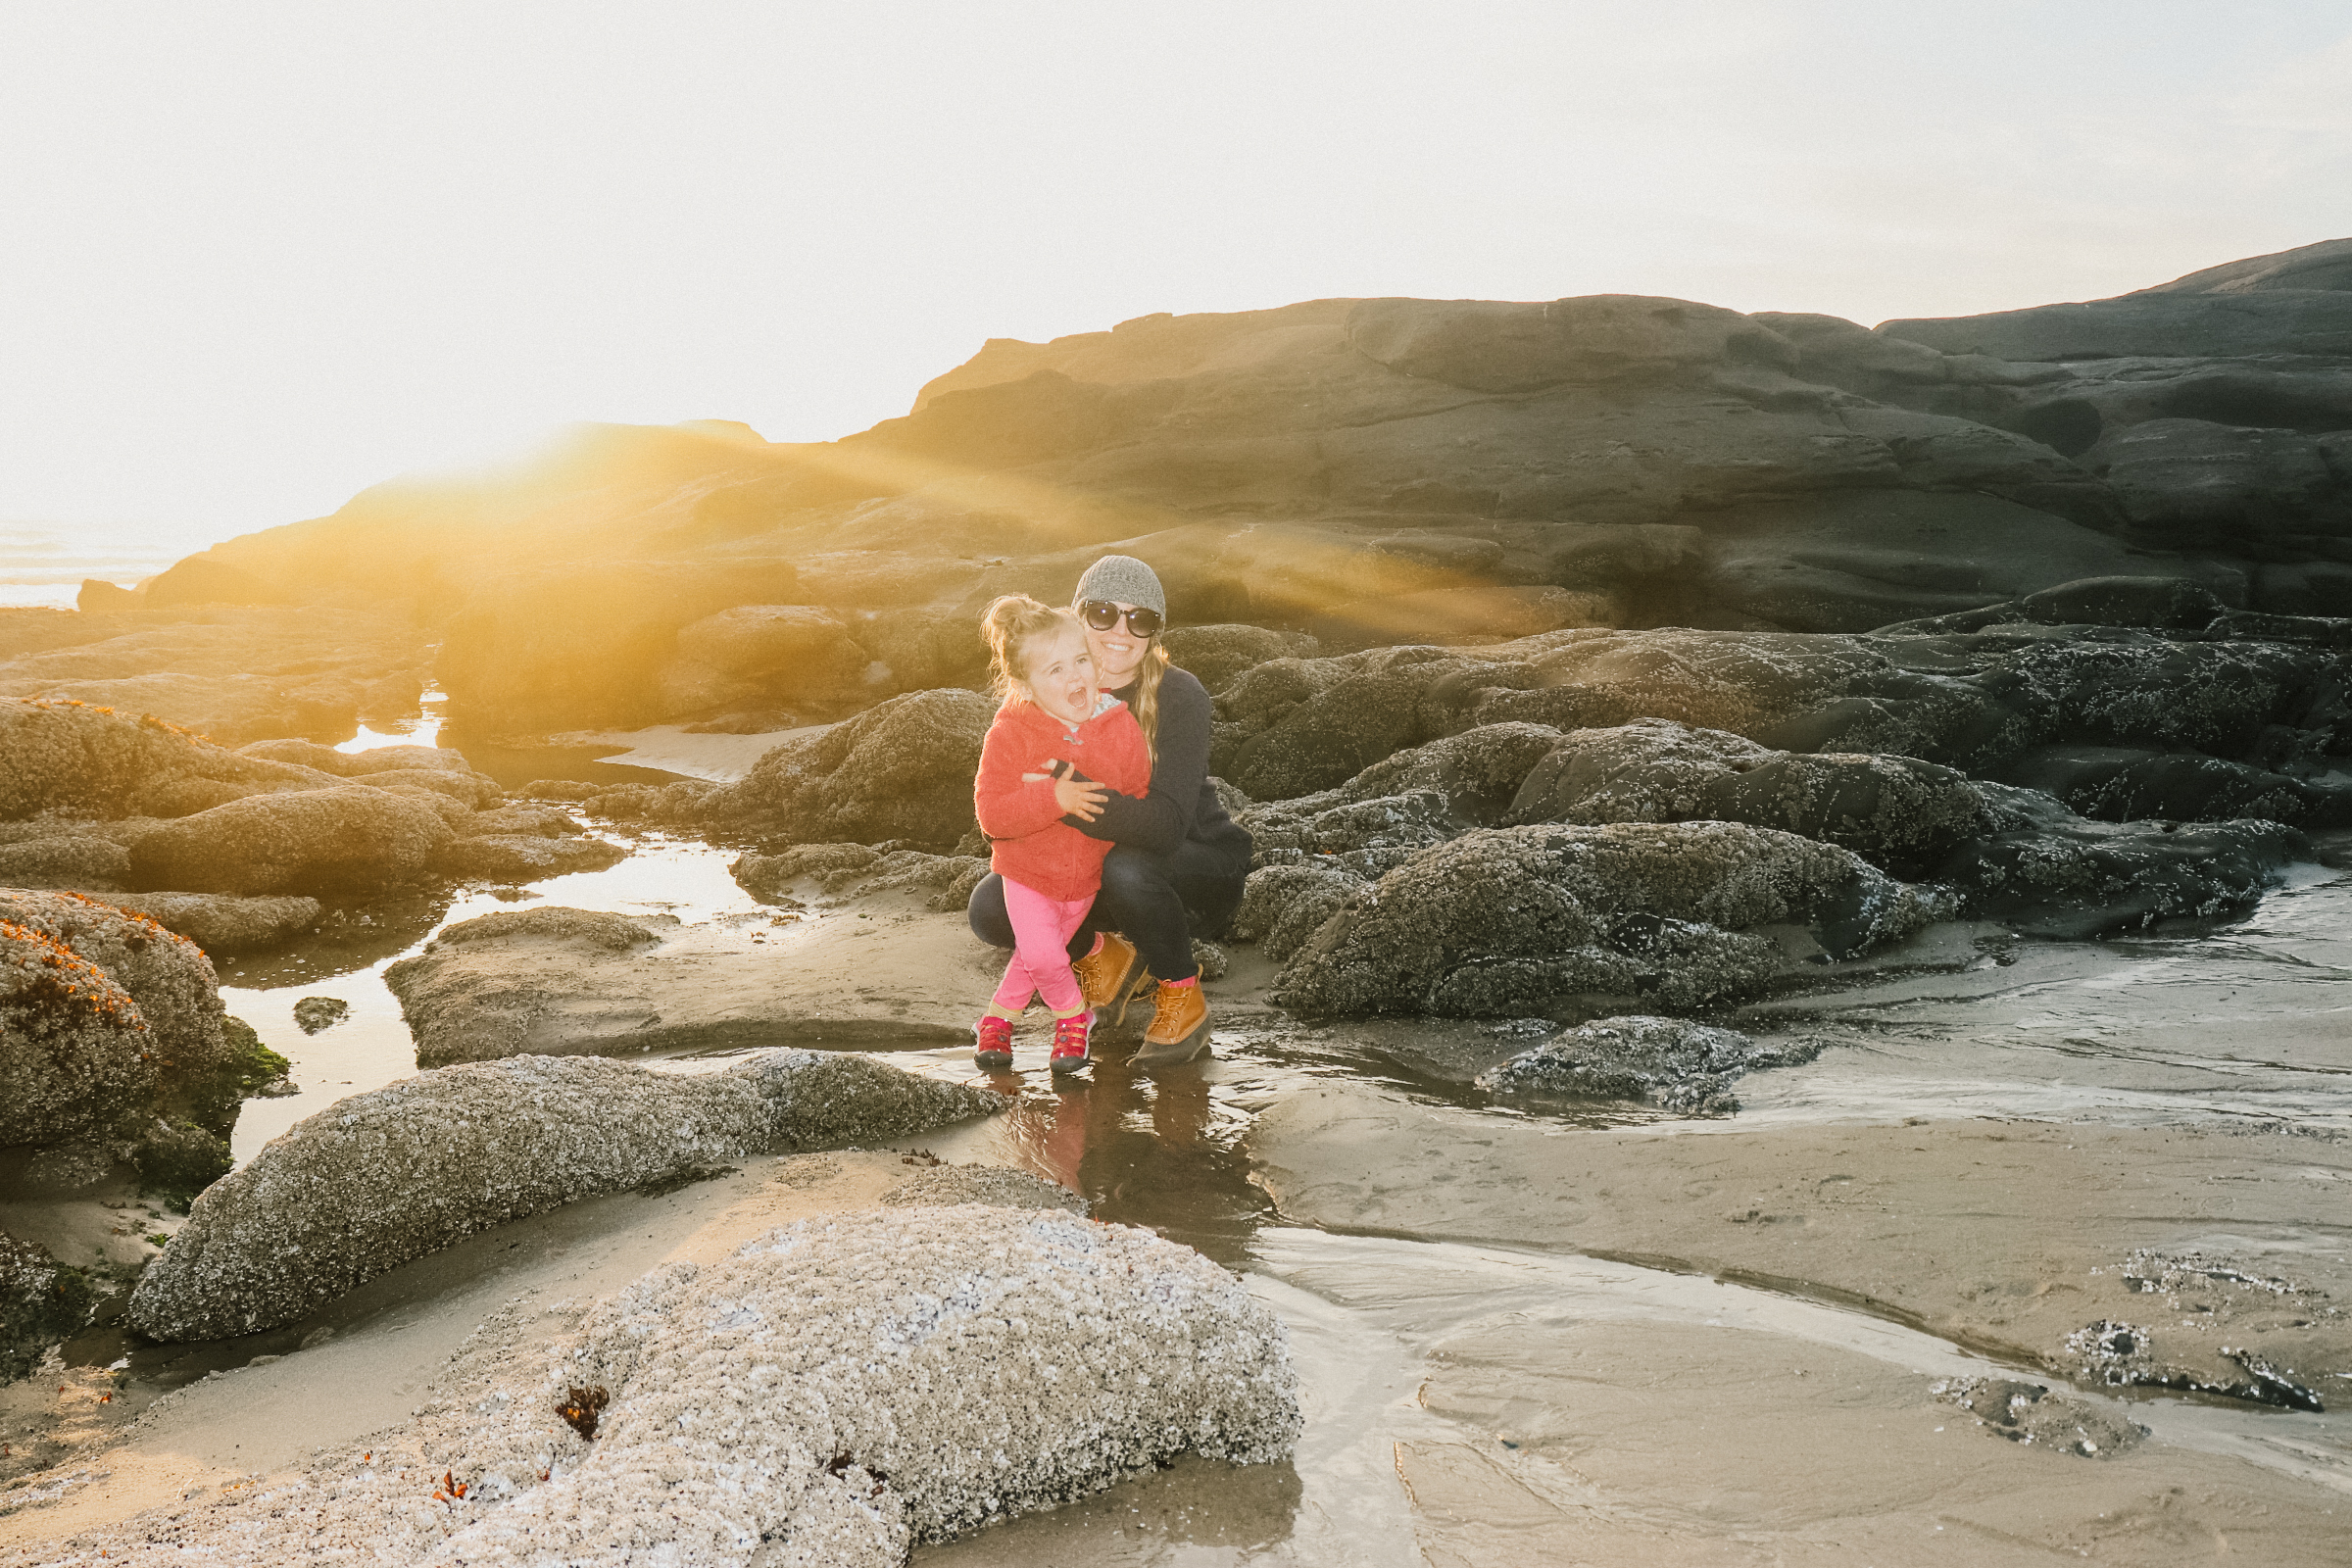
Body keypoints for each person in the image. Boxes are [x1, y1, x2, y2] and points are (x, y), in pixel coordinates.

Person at [966, 555, 1253, 1067]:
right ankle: (1107, 957)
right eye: (1103, 614)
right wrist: (1051, 800)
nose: (1121, 630)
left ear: (1154, 632)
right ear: (1078, 619)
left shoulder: (1180, 695)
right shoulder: (1054, 685)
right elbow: (1004, 810)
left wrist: (1065, 798)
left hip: (1198, 868)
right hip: (1096, 861)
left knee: (1128, 866)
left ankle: (1183, 997)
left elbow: (1164, 829)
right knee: (992, 904)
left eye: (1139, 619)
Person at [969, 594, 1152, 1074]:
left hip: (1084, 881)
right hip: (1026, 875)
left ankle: (997, 1019)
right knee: (1046, 957)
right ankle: (1074, 1018)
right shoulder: (1011, 732)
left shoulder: (1120, 726)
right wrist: (1055, 799)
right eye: (1054, 670)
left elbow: (1135, 795)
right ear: (1024, 686)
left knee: (1033, 958)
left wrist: (1099, 803)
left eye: (1081, 660)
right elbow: (992, 815)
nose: (1076, 677)